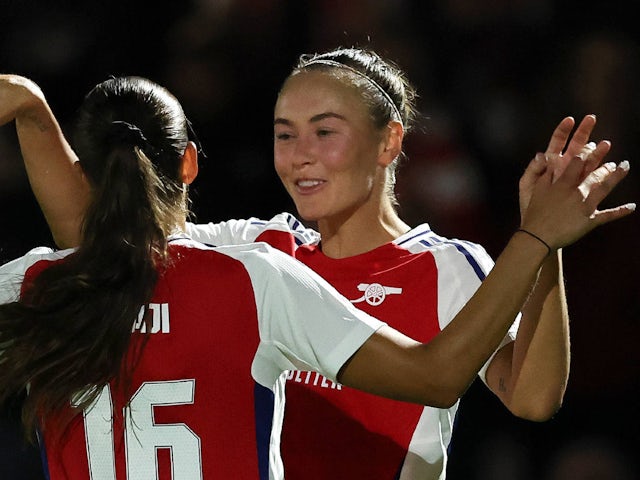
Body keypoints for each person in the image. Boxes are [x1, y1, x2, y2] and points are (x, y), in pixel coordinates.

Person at [0, 64, 633, 480]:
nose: (301, 155)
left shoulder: (452, 265)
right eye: (284, 134)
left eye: (324, 132)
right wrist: (32, 113)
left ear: (389, 142)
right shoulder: (258, 251)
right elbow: (101, 237)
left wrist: (544, 247)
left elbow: (532, 398)